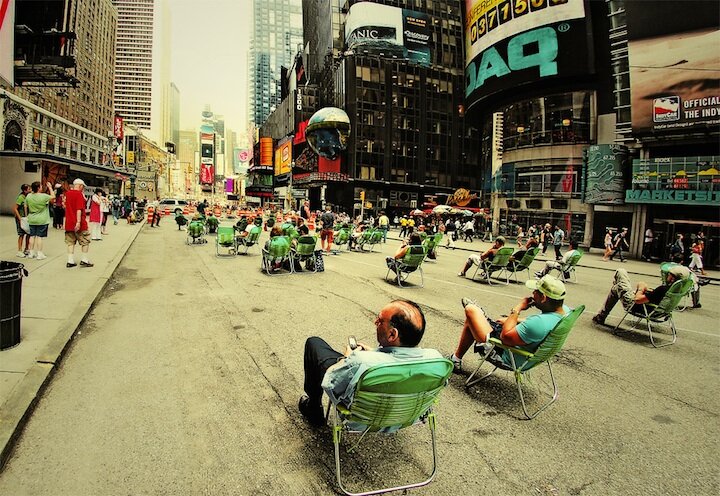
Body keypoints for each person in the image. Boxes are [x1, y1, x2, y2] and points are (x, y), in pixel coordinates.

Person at [298, 299, 441, 427]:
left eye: (380, 321)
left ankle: (314, 409)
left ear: (392, 334)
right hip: (406, 415)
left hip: (362, 418)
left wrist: (347, 360)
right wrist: (375, 353)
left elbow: (331, 384)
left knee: (314, 343)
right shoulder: (437, 361)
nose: (375, 323)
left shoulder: (360, 362)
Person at [447, 275, 568, 373]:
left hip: (506, 355)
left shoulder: (539, 324)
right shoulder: (565, 312)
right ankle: (456, 357)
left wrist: (518, 309)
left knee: (470, 310)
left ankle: (456, 358)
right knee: (497, 320)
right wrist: (515, 320)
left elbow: (505, 338)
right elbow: (534, 323)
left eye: (536, 291)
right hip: (529, 357)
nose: (533, 293)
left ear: (543, 298)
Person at [591, 265, 689, 325]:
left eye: (669, 274)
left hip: (636, 306)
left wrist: (641, 288)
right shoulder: (674, 291)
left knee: (620, 272)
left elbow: (637, 300)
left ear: (672, 278)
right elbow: (654, 297)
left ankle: (601, 316)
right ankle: (600, 317)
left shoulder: (663, 289)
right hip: (655, 311)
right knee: (617, 288)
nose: (667, 275)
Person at [64, 178, 93, 268]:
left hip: (69, 222)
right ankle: (84, 259)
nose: (83, 188)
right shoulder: (79, 195)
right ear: (80, 186)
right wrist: (78, 222)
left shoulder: (67, 194)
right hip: (79, 222)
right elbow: (79, 209)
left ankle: (70, 260)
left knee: (70, 242)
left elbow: (65, 205)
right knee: (85, 240)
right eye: (83, 187)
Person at [25, 181, 55, 260]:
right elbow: (53, 196)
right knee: (39, 237)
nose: (42, 187)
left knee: (32, 236)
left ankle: (31, 253)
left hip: (32, 218)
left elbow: (26, 205)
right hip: (42, 219)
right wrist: (50, 187)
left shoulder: (28, 196)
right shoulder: (43, 196)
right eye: (41, 186)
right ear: (38, 188)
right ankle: (39, 253)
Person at [13, 184, 31, 258]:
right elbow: (15, 208)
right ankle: (19, 250)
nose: (30, 190)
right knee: (21, 234)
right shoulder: (21, 197)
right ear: (24, 190)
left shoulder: (27, 197)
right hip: (21, 218)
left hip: (26, 218)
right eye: (29, 189)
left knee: (28, 233)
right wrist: (19, 217)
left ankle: (26, 249)